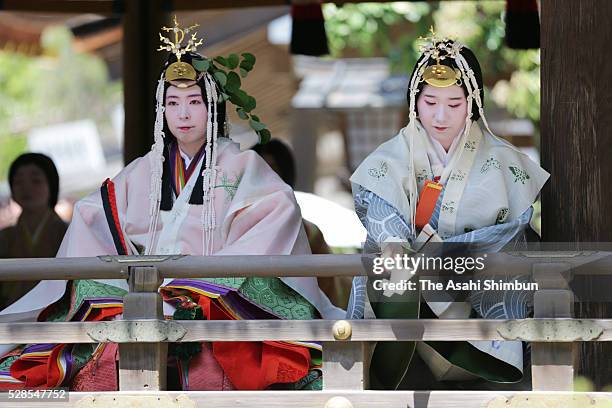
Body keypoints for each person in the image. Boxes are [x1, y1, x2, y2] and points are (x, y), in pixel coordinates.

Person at [0, 17, 342, 391]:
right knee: (92, 303)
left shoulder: (243, 168)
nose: (182, 114)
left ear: (212, 106)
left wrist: (197, 286)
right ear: (161, 110)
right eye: (172, 103)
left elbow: (272, 225)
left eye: (194, 102)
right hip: (141, 297)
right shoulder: (141, 171)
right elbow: (92, 219)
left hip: (215, 304)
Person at [349, 31, 549, 389]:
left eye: (454, 103)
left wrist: (441, 254)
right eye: (430, 102)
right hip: (408, 286)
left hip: (475, 286)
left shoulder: (501, 159)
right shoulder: (393, 155)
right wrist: (394, 242)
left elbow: (512, 226)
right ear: (415, 101)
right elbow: (379, 204)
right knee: (387, 266)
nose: (441, 116)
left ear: (473, 102)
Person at [0, 153, 67, 309]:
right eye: (18, 182)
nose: (26, 188)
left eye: (36, 181)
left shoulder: (67, 232)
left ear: (51, 185)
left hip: (58, 313)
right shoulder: (4, 237)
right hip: (9, 314)